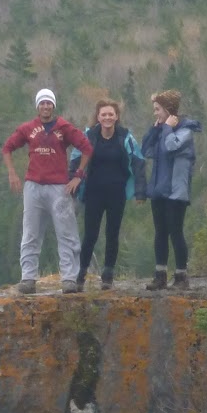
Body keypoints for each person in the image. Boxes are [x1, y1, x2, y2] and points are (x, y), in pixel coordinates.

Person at [2, 88, 93, 294]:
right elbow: (7, 147)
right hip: (33, 186)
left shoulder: (64, 127)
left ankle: (69, 278)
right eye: (42, 103)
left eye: (48, 103)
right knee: (30, 233)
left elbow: (87, 147)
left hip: (59, 188)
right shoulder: (28, 128)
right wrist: (12, 173)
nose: (45, 106)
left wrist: (78, 175)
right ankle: (28, 278)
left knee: (67, 233)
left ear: (53, 105)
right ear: (37, 106)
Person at [68, 98, 146, 290]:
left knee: (112, 233)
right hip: (94, 192)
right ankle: (81, 274)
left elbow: (138, 162)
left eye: (111, 114)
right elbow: (75, 159)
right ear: (98, 117)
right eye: (104, 114)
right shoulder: (89, 136)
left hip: (116, 193)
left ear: (117, 117)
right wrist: (73, 183)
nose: (107, 117)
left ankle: (108, 275)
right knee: (90, 235)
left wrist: (140, 191)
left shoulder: (125, 137)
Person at [140, 89, 201, 290]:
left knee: (176, 232)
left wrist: (166, 129)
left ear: (168, 110)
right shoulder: (162, 129)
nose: (155, 113)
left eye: (157, 109)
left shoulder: (185, 131)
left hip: (176, 191)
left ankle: (182, 276)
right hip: (159, 189)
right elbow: (146, 149)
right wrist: (155, 129)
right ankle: (160, 275)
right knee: (160, 232)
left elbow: (171, 146)